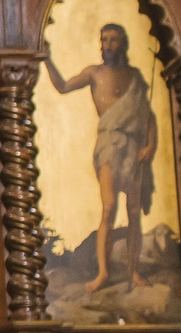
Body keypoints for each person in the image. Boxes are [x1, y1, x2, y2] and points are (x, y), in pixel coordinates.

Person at [46, 22, 157, 292]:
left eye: (114, 40)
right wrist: (46, 59)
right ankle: (103, 273)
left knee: (133, 211)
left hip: (133, 147)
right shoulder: (94, 74)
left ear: (123, 44)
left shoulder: (134, 77)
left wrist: (150, 145)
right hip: (109, 144)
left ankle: (133, 272)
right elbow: (62, 86)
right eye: (104, 39)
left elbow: (148, 116)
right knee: (108, 208)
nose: (108, 44)